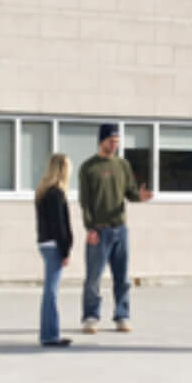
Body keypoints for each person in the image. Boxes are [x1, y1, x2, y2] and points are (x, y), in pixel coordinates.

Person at [78, 123, 151, 333]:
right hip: (98, 230)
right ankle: (91, 317)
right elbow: (85, 202)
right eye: (111, 140)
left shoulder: (123, 165)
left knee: (122, 278)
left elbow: (130, 192)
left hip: (120, 229)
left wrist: (139, 197)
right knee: (93, 278)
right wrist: (90, 228)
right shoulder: (88, 167)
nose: (115, 144)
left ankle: (122, 316)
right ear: (101, 141)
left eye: (117, 141)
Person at [33, 154, 74, 347]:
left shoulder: (43, 192)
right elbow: (60, 225)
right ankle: (50, 335)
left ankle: (49, 333)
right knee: (51, 292)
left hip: (45, 242)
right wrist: (65, 251)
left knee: (50, 291)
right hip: (54, 245)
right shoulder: (56, 193)